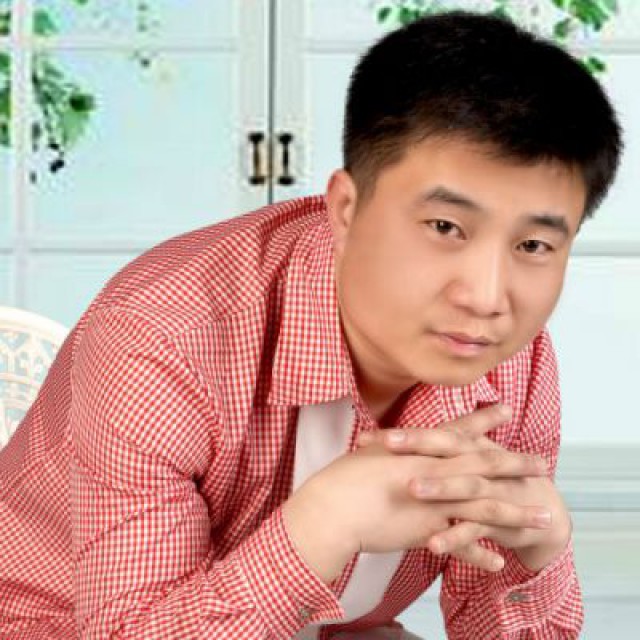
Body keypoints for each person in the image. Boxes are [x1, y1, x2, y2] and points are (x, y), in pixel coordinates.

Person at [0, 10, 621, 640]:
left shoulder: (512, 358)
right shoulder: (163, 335)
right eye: (445, 227)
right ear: (346, 209)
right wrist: (323, 523)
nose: (486, 298)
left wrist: (537, 556)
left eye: (534, 245)